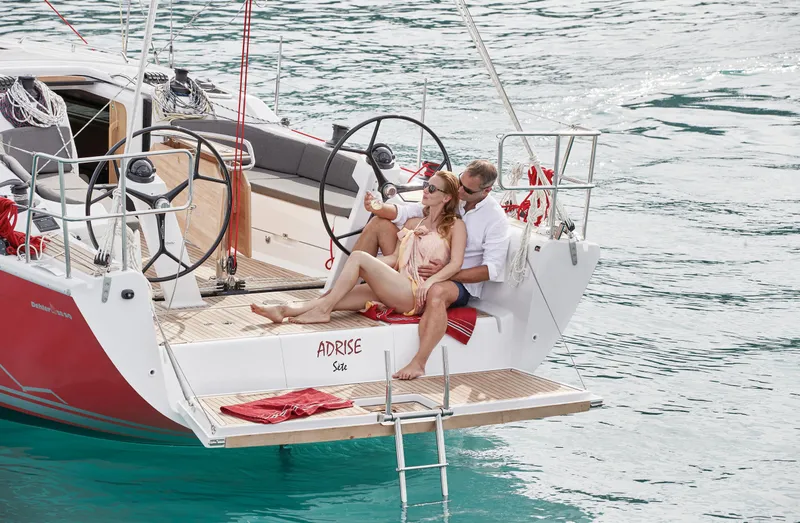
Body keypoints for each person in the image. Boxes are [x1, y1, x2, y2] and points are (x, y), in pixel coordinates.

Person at [354, 159, 510, 380]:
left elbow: (491, 270)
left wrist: (445, 273)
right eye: (458, 183)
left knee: (437, 292)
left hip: (459, 281)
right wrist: (377, 207)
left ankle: (419, 362)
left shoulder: (495, 220)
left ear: (486, 191)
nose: (459, 191)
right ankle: (343, 287)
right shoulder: (454, 196)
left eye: (466, 189)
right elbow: (407, 211)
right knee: (379, 223)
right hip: (419, 265)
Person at [250, 171, 467, 324]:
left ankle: (322, 312)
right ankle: (284, 310)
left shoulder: (456, 226)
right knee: (335, 295)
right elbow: (394, 259)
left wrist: (429, 282)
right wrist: (369, 270)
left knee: (358, 258)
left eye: (431, 188)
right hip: (397, 285)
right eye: (425, 185)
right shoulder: (414, 223)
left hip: (414, 293)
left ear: (446, 197)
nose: (425, 190)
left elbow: (456, 263)